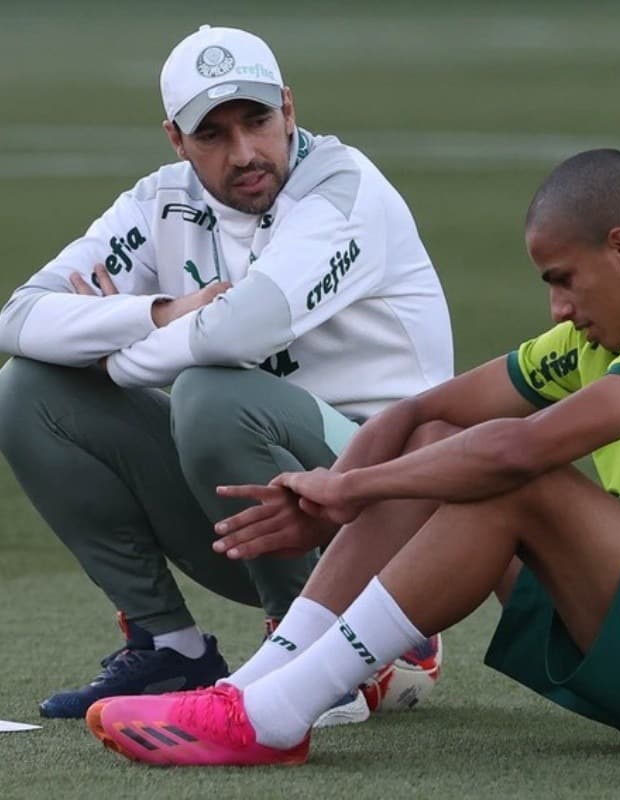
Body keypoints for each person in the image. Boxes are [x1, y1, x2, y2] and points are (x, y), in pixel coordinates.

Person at [86, 148, 620, 765]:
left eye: (562, 278)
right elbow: (420, 410)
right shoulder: (606, 341)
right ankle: (253, 689)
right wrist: (335, 488)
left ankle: (276, 717)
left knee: (514, 479)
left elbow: (520, 449)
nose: (556, 308)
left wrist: (355, 490)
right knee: (439, 445)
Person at [0, 24, 452, 720]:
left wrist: (115, 355)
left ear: (290, 109)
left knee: (211, 394)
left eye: (257, 121)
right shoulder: (161, 202)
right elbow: (21, 316)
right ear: (177, 141)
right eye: (211, 134)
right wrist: (161, 313)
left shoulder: (343, 189)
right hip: (264, 509)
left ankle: (304, 653)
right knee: (28, 389)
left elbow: (243, 330)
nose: (244, 152)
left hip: (398, 511)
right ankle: (170, 649)